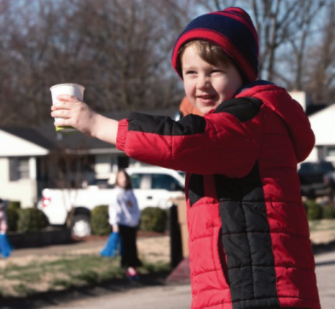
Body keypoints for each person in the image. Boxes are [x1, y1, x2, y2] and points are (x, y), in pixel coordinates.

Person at [51, 7, 321, 309]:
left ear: (242, 73)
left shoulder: (249, 119)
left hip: (258, 293)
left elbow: (184, 141)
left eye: (215, 71)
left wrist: (97, 124)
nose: (201, 83)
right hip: (236, 291)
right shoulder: (238, 120)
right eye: (191, 73)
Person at [108, 170, 142, 280]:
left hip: (132, 224)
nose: (124, 179)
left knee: (132, 247)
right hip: (122, 224)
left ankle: (133, 266)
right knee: (126, 247)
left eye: (125, 177)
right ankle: (128, 268)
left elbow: (135, 208)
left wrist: (137, 220)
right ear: (117, 180)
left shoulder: (130, 192)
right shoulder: (117, 193)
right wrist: (115, 223)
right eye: (121, 177)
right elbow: (114, 209)